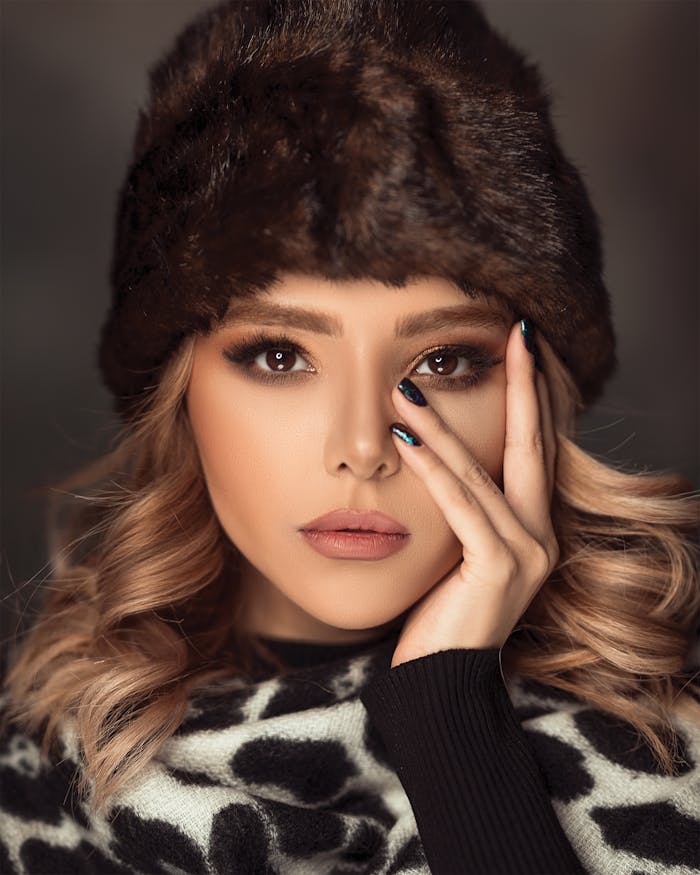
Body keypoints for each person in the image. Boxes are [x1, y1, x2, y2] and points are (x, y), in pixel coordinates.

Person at [1, 1, 698, 873]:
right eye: (281, 355)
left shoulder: (661, 772)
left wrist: (451, 712)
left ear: (531, 400)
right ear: (180, 392)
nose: (364, 446)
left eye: (444, 361)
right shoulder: (32, 793)